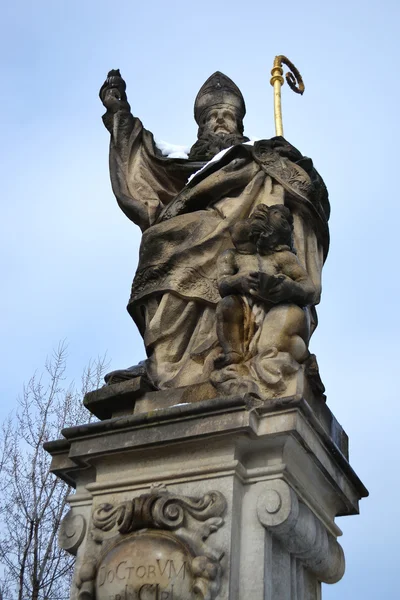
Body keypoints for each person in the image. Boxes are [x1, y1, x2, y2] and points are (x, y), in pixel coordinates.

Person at [100, 70, 330, 390]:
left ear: (239, 124)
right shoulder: (188, 164)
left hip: (244, 230)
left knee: (199, 236)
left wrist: (287, 167)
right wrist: (118, 113)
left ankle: (214, 356)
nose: (221, 122)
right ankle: (167, 359)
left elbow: (307, 191)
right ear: (202, 126)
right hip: (199, 222)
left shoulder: (257, 157)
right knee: (157, 243)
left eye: (227, 116)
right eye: (213, 117)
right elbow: (147, 166)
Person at [214, 204, 317, 372]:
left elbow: (310, 290)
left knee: (271, 346)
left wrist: (289, 288)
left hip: (282, 307)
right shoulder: (231, 256)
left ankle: (303, 358)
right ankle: (233, 352)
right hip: (246, 306)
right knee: (226, 306)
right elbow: (223, 284)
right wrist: (239, 281)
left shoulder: (284, 257)